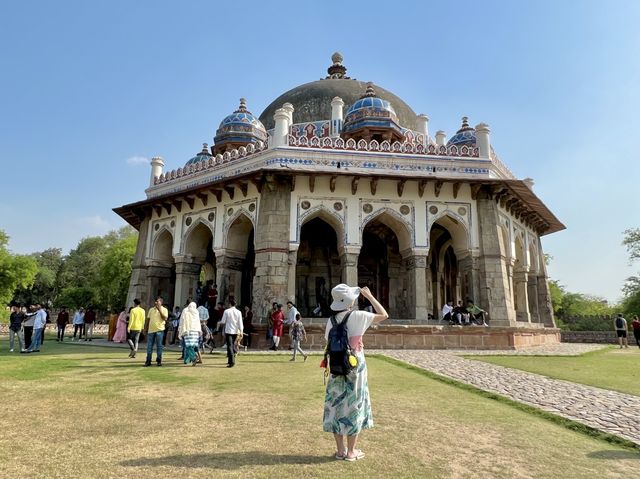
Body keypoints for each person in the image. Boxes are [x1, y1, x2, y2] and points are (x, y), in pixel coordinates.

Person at [323, 284, 388, 462]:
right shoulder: (358, 315)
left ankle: (340, 450)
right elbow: (384, 315)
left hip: (336, 366)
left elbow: (329, 341)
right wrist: (370, 297)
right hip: (355, 366)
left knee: (335, 405)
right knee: (355, 404)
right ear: (351, 301)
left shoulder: (331, 320)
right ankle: (351, 452)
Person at [218, 298, 243, 367]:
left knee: (230, 345)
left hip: (229, 330)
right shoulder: (238, 312)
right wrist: (241, 331)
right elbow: (240, 322)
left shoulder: (226, 311)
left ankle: (232, 361)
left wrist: (219, 323)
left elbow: (223, 321)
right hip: (235, 331)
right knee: (232, 345)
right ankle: (230, 360)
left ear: (230, 304)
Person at [144, 296, 168, 366]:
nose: (156, 302)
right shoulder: (151, 309)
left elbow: (165, 318)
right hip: (151, 330)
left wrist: (159, 310)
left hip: (159, 330)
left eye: (157, 301)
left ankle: (159, 360)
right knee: (149, 346)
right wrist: (145, 328)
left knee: (159, 346)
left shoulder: (164, 309)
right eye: (155, 301)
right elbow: (148, 319)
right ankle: (148, 361)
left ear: (161, 302)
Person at [179, 302, 202, 366]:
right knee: (191, 346)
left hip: (187, 331)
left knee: (188, 346)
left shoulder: (186, 310)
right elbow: (198, 322)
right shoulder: (196, 311)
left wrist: (180, 329)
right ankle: (187, 360)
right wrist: (199, 330)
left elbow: (182, 320)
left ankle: (193, 357)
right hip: (195, 331)